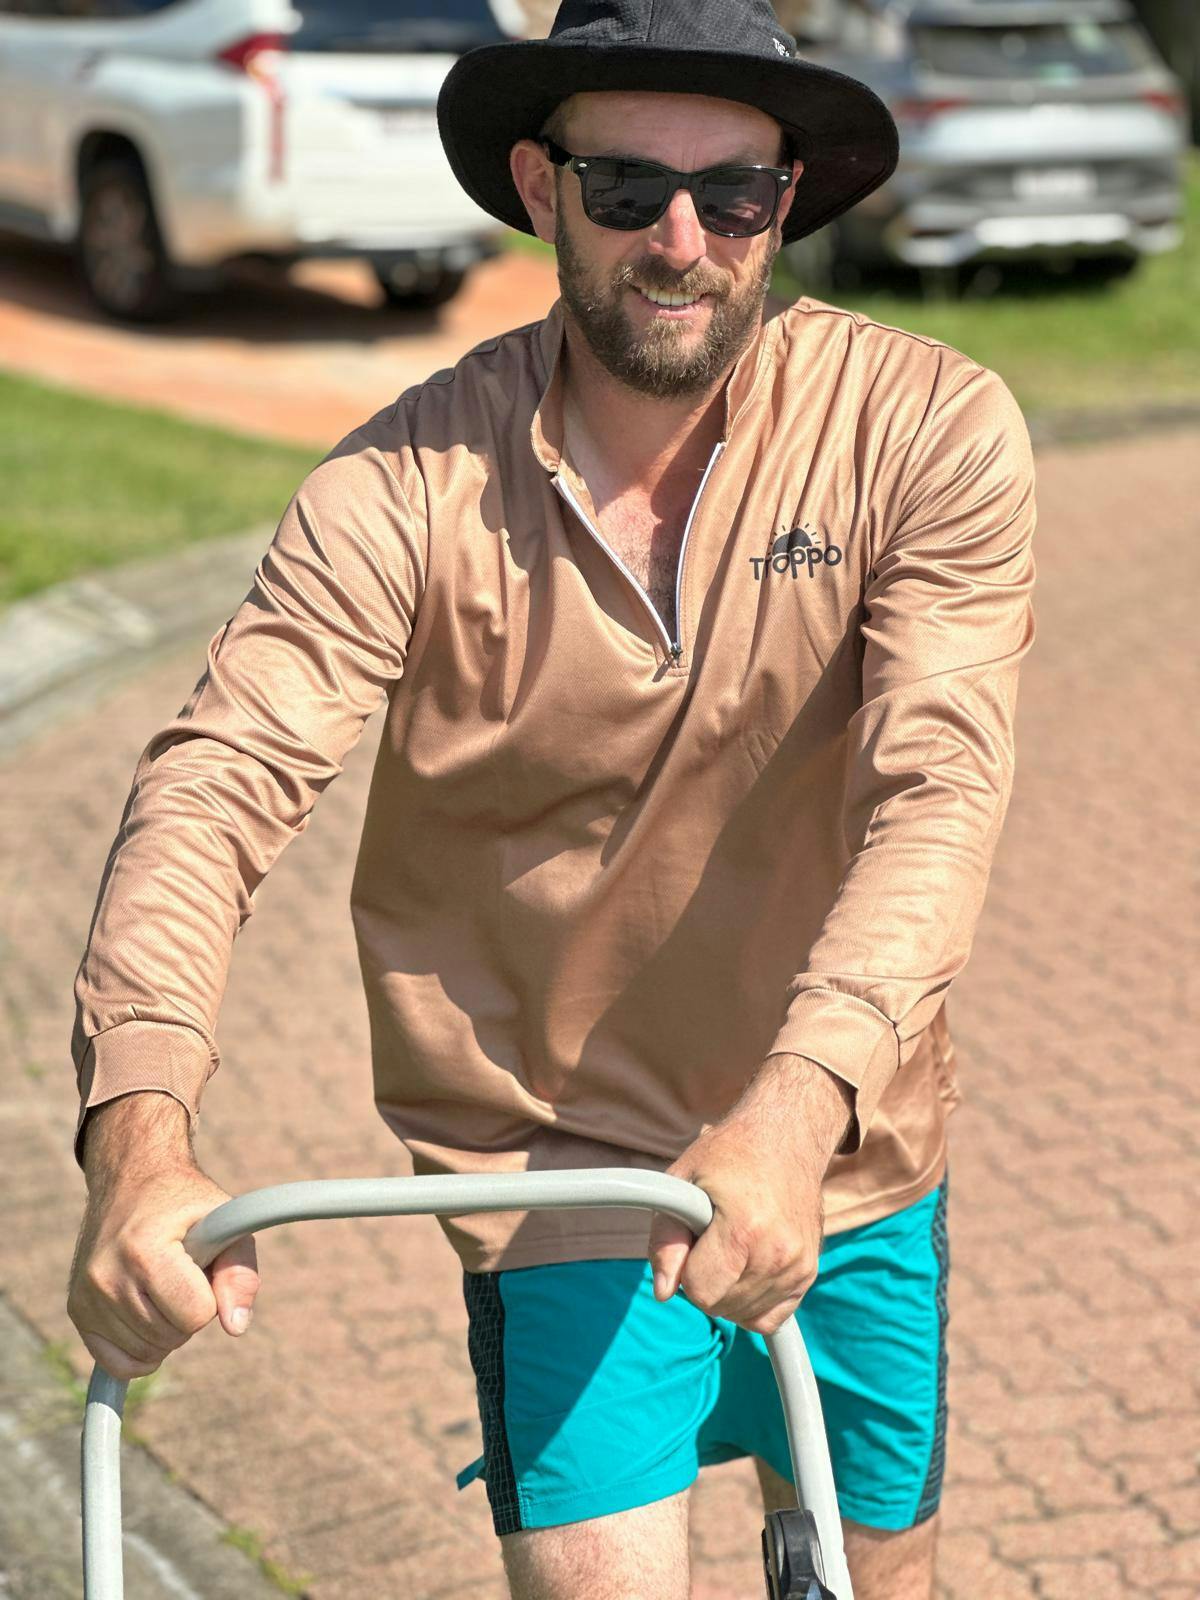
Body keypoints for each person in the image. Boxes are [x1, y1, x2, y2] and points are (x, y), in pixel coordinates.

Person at [65, 2, 1036, 1596]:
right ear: (539, 185)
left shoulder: (925, 430)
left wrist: (799, 1108)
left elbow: (941, 788)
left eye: (734, 193)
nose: (682, 240)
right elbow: (217, 784)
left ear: (786, 200)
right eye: (626, 186)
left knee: (882, 1575)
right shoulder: (402, 487)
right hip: (559, 1167)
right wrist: (139, 1138)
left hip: (845, 1136)